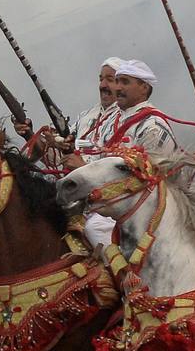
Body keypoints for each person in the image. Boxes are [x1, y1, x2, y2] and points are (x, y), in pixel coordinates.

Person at [62, 59, 180, 250]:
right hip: (111, 205)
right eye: (116, 81)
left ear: (144, 87)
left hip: (146, 213)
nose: (117, 88)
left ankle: (120, 277)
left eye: (124, 82)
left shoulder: (153, 125)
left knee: (95, 228)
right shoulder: (112, 121)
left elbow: (150, 180)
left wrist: (84, 169)